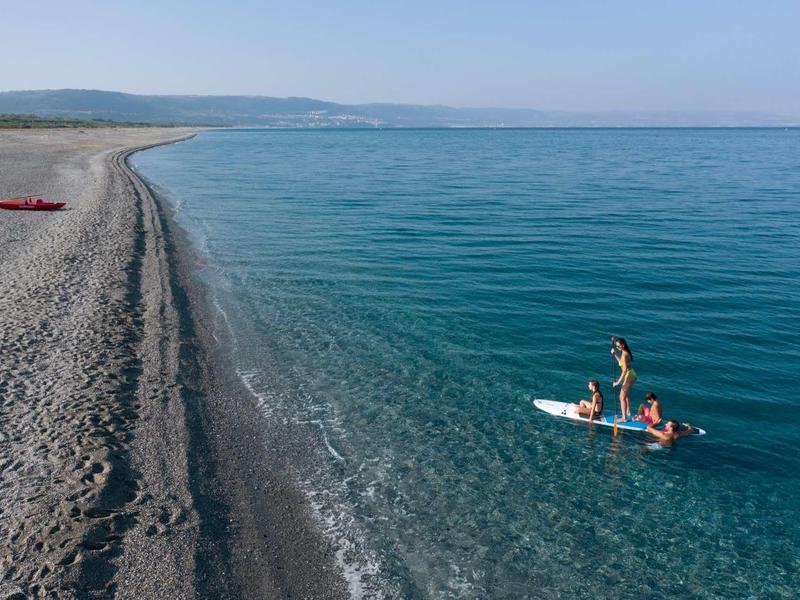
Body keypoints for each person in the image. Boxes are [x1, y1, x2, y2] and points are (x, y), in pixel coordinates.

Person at [611, 337, 637, 421]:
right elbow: (621, 363)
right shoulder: (624, 352)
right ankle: (628, 411)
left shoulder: (625, 354)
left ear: (623, 345)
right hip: (630, 374)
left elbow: (625, 370)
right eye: (616, 347)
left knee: (621, 397)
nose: (617, 348)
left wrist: (618, 382)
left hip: (629, 375)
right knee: (625, 395)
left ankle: (624, 418)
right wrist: (615, 354)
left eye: (619, 346)